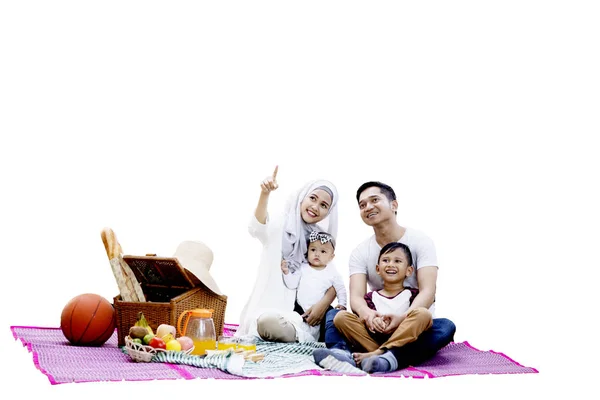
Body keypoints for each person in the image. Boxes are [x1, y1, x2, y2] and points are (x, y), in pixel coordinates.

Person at [314, 181, 456, 372]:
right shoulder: (360, 252)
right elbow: (356, 297)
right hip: (377, 325)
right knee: (335, 315)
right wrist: (369, 315)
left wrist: (403, 318)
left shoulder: (421, 241)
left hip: (413, 327)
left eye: (374, 200)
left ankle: (381, 355)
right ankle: (347, 355)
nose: (368, 207)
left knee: (445, 327)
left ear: (394, 205)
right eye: (362, 205)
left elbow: (428, 291)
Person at [236, 166, 340, 342]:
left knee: (332, 320)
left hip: (302, 317)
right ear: (302, 197)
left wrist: (322, 305)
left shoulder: (317, 238)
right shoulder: (281, 223)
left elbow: (332, 276)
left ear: (328, 213)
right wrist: (264, 194)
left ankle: (303, 337)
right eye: (312, 198)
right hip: (269, 307)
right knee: (267, 323)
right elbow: (256, 228)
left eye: (323, 205)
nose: (315, 207)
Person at [334, 241, 433, 373]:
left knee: (424, 314)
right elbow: (366, 319)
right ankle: (381, 353)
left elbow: (417, 320)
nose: (391, 264)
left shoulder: (413, 295)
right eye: (386, 260)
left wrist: (401, 320)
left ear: (409, 270)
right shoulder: (370, 297)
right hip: (375, 337)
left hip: (403, 338)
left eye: (397, 261)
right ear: (377, 269)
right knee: (340, 317)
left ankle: (378, 352)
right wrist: (373, 321)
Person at [278, 231, 348, 341]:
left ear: (331, 257)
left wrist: (342, 304)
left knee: (331, 320)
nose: (317, 254)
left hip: (322, 310)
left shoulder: (332, 273)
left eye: (323, 251)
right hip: (300, 307)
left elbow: (341, 289)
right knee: (293, 320)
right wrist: (286, 273)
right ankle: (297, 337)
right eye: (313, 249)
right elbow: (292, 283)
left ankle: (329, 341)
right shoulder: (303, 267)